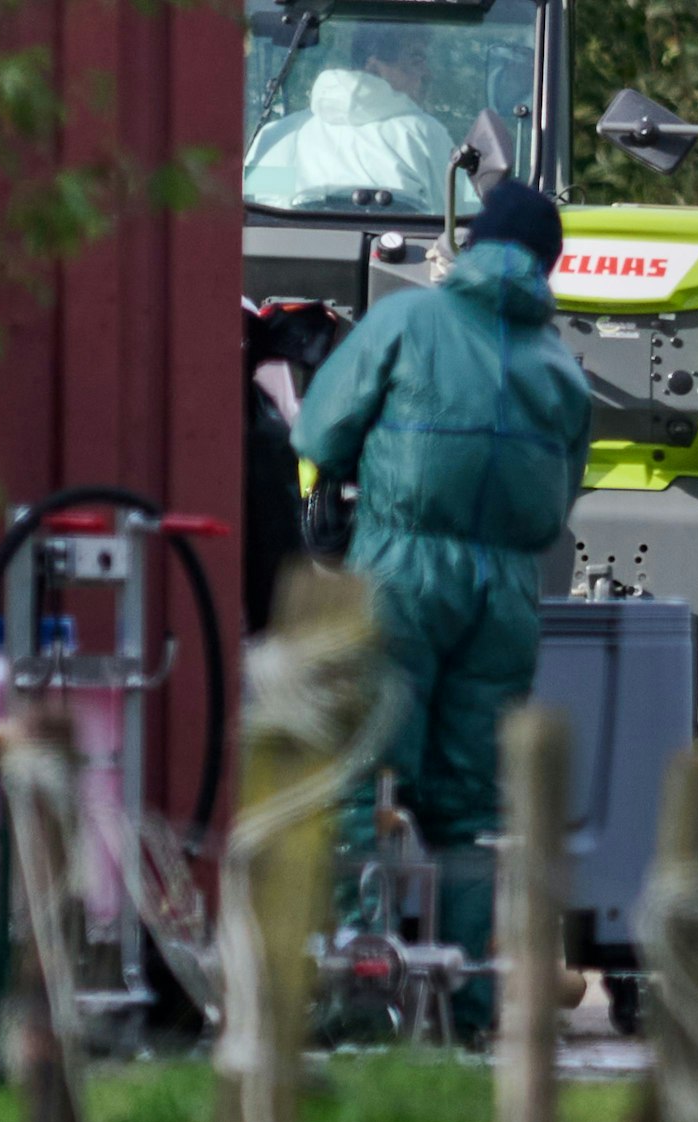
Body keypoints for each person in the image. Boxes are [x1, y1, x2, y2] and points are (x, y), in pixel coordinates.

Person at [291, 181, 591, 1034]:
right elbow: (558, 502)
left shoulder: (405, 322)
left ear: (474, 245)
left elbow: (317, 433)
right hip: (505, 600)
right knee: (472, 807)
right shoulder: (563, 372)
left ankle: (359, 990)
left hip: (400, 575)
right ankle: (470, 1005)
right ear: (547, 266)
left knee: (364, 773)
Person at [244, 24, 456, 212]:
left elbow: (261, 210)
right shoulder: (423, 133)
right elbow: (456, 222)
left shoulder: (279, 135)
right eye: (416, 60)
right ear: (374, 68)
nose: (427, 74)